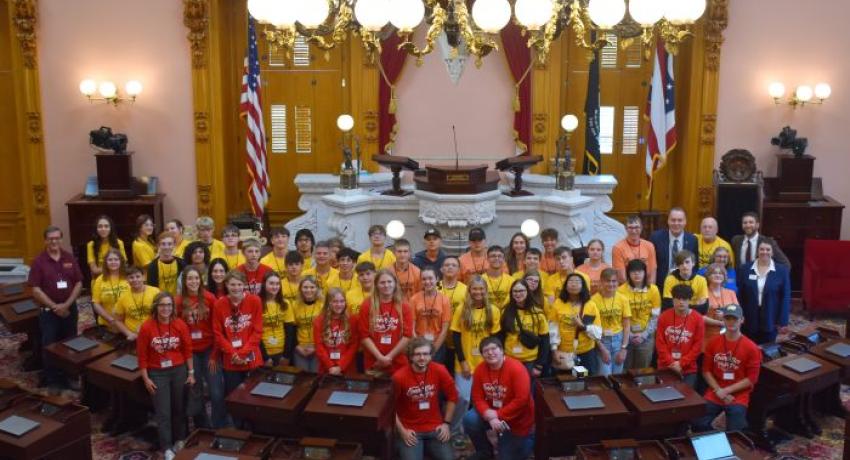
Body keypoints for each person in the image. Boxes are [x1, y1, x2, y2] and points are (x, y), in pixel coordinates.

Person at [137, 292, 194, 457]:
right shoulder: (147, 327)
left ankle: (180, 439)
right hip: (157, 373)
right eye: (162, 305)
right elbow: (142, 356)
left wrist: (191, 373)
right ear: (156, 306)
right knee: (163, 412)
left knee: (179, 408)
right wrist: (146, 379)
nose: (166, 308)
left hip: (179, 371)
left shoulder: (180, 324)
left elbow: (188, 350)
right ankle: (167, 447)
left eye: (169, 305)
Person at [28, 226, 83, 389]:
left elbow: (79, 282)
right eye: (50, 238)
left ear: (61, 239)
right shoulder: (38, 262)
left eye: (57, 238)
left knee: (71, 343)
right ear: (46, 240)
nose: (54, 241)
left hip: (69, 310)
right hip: (49, 312)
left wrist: (66, 305)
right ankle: (53, 380)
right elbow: (36, 290)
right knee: (50, 346)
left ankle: (71, 376)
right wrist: (54, 307)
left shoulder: (69, 258)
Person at [463, 337, 535, 460]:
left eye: (494, 348)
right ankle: (485, 452)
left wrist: (497, 414)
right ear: (482, 355)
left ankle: (530, 439)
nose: (490, 353)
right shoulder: (480, 369)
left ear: (502, 351)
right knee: (470, 419)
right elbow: (477, 397)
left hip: (518, 418)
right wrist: (488, 415)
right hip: (493, 413)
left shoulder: (517, 369)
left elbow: (521, 400)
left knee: (507, 456)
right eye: (486, 350)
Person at [693, 304, 761, 433]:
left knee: (736, 430)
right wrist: (719, 390)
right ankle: (714, 441)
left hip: (739, 395)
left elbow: (752, 379)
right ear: (723, 320)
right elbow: (706, 371)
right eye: (728, 318)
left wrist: (727, 391)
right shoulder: (713, 343)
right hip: (715, 390)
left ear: (742, 320)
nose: (731, 322)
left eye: (735, 319)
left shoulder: (752, 348)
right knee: (697, 422)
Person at [175, 266, 227, 429]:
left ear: (201, 280)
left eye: (196, 278)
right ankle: (202, 426)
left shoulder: (210, 298)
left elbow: (218, 328)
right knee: (195, 390)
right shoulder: (177, 301)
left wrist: (214, 354)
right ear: (184, 281)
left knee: (216, 391)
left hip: (209, 350)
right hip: (190, 354)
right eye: (189, 279)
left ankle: (220, 425)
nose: (193, 282)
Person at [393, 337, 458, 460]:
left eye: (425, 354)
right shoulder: (399, 377)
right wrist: (402, 431)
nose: (422, 358)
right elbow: (390, 408)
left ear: (431, 355)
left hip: (435, 428)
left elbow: (453, 396)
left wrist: (446, 424)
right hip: (410, 431)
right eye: (418, 354)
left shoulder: (440, 370)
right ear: (411, 356)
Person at [212, 271, 263, 397]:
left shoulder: (255, 300)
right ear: (226, 285)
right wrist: (234, 353)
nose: (236, 288)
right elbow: (217, 333)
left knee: (254, 397)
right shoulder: (219, 304)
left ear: (244, 285)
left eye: (239, 284)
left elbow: (258, 331)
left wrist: (242, 353)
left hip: (251, 358)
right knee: (234, 397)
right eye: (232, 285)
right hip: (231, 359)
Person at [451, 276, 501, 401]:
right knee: (463, 398)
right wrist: (463, 362)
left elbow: (495, 340)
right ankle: (460, 421)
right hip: (465, 362)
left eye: (481, 289)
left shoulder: (494, 310)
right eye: (474, 289)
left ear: (486, 290)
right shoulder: (461, 309)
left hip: (486, 362)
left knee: (486, 398)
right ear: (469, 290)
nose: (478, 292)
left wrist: (493, 362)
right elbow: (456, 338)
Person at [356, 269, 413, 375]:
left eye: (389, 282)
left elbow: (407, 336)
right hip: (374, 361)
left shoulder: (404, 306)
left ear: (395, 284)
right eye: (382, 282)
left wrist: (389, 357)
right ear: (376, 285)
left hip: (397, 361)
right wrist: (380, 358)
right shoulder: (367, 305)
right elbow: (364, 335)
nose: (386, 285)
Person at [736, 241, 791, 344]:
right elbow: (740, 295)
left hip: (771, 315)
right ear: (757, 251)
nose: (764, 252)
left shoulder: (782, 271)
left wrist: (782, 320)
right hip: (748, 317)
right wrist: (739, 314)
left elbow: (785, 296)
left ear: (772, 252)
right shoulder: (745, 269)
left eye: (768, 249)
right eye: (761, 249)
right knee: (748, 345)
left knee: (767, 347)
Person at [549, 273, 602, 375]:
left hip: (585, 353)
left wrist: (583, 326)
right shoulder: (558, 303)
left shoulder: (590, 305)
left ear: (583, 286)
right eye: (570, 281)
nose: (573, 284)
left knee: (584, 383)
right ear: (565, 286)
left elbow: (598, 332)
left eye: (577, 282)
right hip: (564, 353)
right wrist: (554, 350)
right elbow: (553, 327)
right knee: (566, 383)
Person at [499, 279, 549, 379]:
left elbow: (545, 340)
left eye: (521, 291)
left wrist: (539, 366)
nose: (518, 294)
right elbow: (501, 336)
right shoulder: (505, 311)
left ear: (528, 292)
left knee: (528, 391)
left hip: (530, 360)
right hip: (510, 358)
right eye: (515, 291)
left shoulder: (538, 313)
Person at [656, 284, 705, 387]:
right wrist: (672, 363)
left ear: (690, 300)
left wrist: (681, 363)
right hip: (666, 366)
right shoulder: (663, 316)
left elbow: (697, 346)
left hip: (688, 369)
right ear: (672, 299)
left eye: (684, 299)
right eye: (677, 299)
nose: (681, 302)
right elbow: (660, 343)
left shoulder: (698, 318)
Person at [618, 259, 661, 370]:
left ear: (645, 273)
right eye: (633, 272)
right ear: (628, 274)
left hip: (646, 337)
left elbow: (655, 316)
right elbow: (619, 316)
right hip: (626, 337)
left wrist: (644, 334)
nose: (637, 274)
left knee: (642, 371)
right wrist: (630, 335)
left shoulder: (653, 290)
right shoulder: (620, 291)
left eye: (640, 271)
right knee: (624, 370)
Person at [592, 268, 631, 376]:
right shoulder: (593, 300)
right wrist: (602, 349)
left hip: (618, 340)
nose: (611, 284)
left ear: (618, 282)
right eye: (607, 281)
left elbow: (627, 325)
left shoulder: (623, 299)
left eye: (614, 281)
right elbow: (591, 328)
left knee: (617, 377)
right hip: (602, 340)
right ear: (601, 282)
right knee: (605, 377)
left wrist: (624, 348)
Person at [650, 207, 699, 290]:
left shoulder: (692, 240)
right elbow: (651, 264)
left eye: (680, 220)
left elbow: (695, 265)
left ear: (685, 222)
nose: (676, 223)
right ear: (668, 221)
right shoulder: (656, 238)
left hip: (684, 285)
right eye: (673, 220)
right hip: (661, 285)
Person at [410, 268, 451, 362]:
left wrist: (434, 349)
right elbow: (412, 326)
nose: (427, 282)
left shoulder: (445, 300)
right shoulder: (414, 299)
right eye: (424, 279)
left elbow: (444, 329)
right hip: (418, 344)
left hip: (437, 345)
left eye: (430, 278)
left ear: (436, 279)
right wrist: (419, 346)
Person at [314, 287, 357, 375]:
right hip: (326, 368)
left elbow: (354, 345)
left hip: (347, 367)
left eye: (342, 301)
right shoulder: (319, 321)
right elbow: (319, 347)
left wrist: (340, 366)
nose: (339, 304)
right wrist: (330, 366)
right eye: (335, 301)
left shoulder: (352, 319)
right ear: (328, 303)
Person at [258, 271, 296, 367]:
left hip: (282, 351)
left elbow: (290, 332)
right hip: (264, 352)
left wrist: (286, 356)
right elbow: (255, 333)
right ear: (264, 284)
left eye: (277, 284)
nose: (275, 287)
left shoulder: (285, 303)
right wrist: (265, 357)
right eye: (271, 283)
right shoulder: (257, 303)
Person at [114, 266, 160, 340]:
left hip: (155, 332)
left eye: (138, 276)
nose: (135, 279)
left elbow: (161, 314)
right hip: (134, 336)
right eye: (131, 277)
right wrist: (129, 334)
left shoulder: (155, 292)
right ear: (127, 280)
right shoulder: (122, 297)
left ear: (144, 277)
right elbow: (118, 320)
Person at [90, 248, 130, 331]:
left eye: (116, 259)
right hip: (107, 324)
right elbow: (96, 303)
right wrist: (110, 320)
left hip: (128, 323)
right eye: (110, 260)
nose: (113, 262)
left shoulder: (128, 277)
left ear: (121, 261)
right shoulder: (100, 280)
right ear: (105, 263)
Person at [612, 216, 657, 285]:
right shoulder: (618, 248)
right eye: (630, 227)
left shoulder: (649, 246)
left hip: (645, 288)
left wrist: (649, 289)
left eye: (636, 227)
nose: (633, 231)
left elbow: (652, 272)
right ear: (626, 229)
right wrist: (634, 291)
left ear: (641, 228)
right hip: (626, 289)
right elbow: (621, 278)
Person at [703, 263, 738, 349]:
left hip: (728, 336)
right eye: (714, 273)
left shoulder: (731, 293)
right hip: (706, 337)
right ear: (708, 276)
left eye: (720, 273)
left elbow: (738, 314)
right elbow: (698, 316)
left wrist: (725, 316)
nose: (718, 275)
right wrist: (719, 323)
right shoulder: (702, 293)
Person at [292, 276, 322, 371]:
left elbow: (326, 330)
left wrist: (316, 347)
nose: (308, 290)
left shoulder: (323, 304)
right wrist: (297, 346)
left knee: (316, 379)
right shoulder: (294, 305)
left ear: (317, 289)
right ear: (300, 289)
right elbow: (292, 329)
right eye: (305, 287)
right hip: (300, 349)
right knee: (302, 380)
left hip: (318, 348)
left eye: (312, 287)